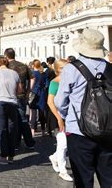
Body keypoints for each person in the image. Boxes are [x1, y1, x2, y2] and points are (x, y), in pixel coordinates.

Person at [54, 29, 112, 187]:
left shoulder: (71, 69)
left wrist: (65, 116)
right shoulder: (109, 67)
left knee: (83, 178)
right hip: (108, 130)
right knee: (108, 177)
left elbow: (60, 101)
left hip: (79, 130)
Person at [0, 56, 21, 165]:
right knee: (11, 129)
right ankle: (11, 156)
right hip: (12, 102)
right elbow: (20, 89)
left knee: (1, 129)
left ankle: (3, 156)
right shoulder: (15, 73)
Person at [47, 59, 73, 182]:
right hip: (56, 115)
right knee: (63, 144)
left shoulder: (69, 81)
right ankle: (63, 171)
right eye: (65, 68)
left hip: (68, 115)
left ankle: (54, 157)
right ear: (59, 70)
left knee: (66, 143)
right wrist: (59, 118)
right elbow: (50, 102)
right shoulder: (54, 83)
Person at [4, 48, 36, 149]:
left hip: (9, 96)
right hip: (21, 95)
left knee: (13, 120)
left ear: (6, 56)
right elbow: (32, 78)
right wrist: (28, 91)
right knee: (22, 119)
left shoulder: (6, 67)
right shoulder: (23, 65)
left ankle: (16, 143)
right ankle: (29, 142)